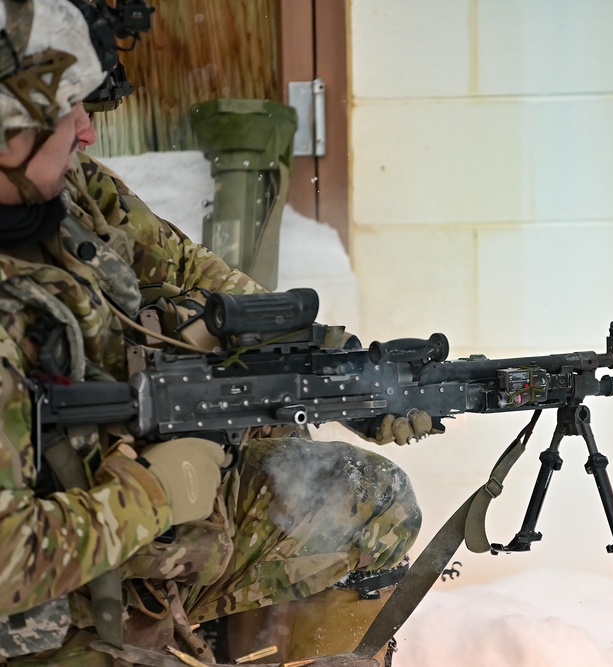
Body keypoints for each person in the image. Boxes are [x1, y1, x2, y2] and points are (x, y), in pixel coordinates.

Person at [0, 1, 435, 664]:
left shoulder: (67, 193)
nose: (88, 134)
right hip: (50, 601)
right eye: (70, 114)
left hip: (136, 532)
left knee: (365, 499)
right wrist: (154, 493)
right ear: (8, 137)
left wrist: (335, 366)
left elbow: (182, 267)